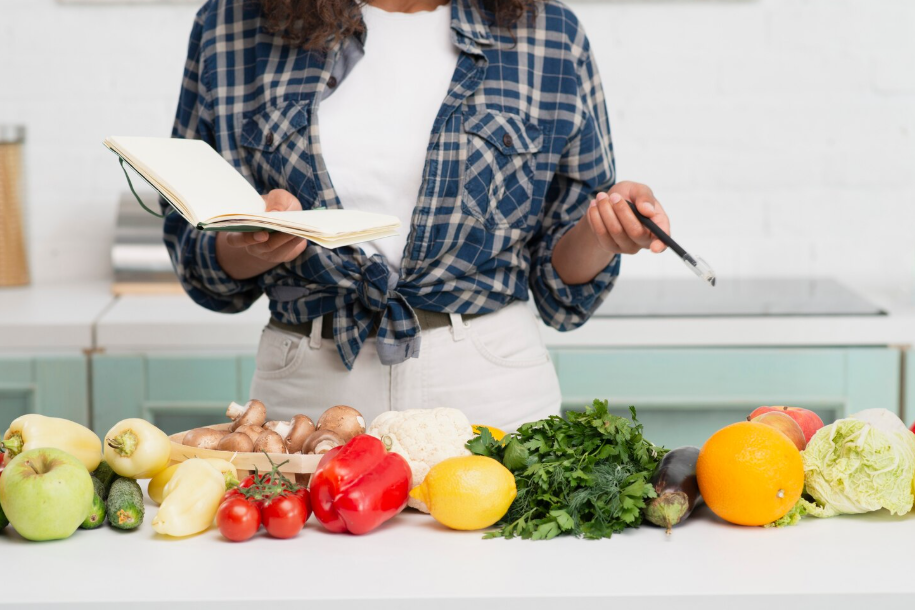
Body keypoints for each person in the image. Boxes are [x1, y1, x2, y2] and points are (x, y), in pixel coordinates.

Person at [163, 0, 671, 430]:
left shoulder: (552, 35)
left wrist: (602, 233)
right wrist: (250, 242)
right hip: (307, 391)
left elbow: (560, 293)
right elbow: (200, 264)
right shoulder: (230, 25)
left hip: (490, 384)